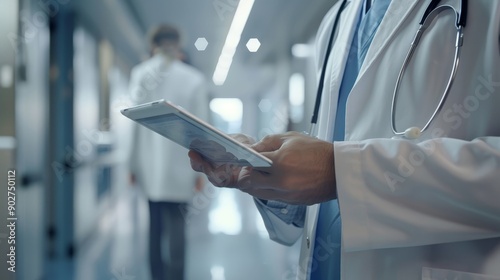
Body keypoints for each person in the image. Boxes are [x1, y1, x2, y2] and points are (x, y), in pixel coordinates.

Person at [188, 0, 500, 279]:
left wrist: (341, 172)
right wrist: (265, 171)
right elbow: (332, 155)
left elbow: (338, 167)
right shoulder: (338, 17)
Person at [128, 24, 209, 280]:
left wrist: (131, 166)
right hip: (182, 168)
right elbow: (201, 129)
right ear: (178, 44)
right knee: (177, 229)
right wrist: (203, 171)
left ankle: (156, 275)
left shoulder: (140, 73)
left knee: (154, 227)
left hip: (148, 166)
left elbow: (133, 124)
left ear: (153, 45)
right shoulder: (193, 78)